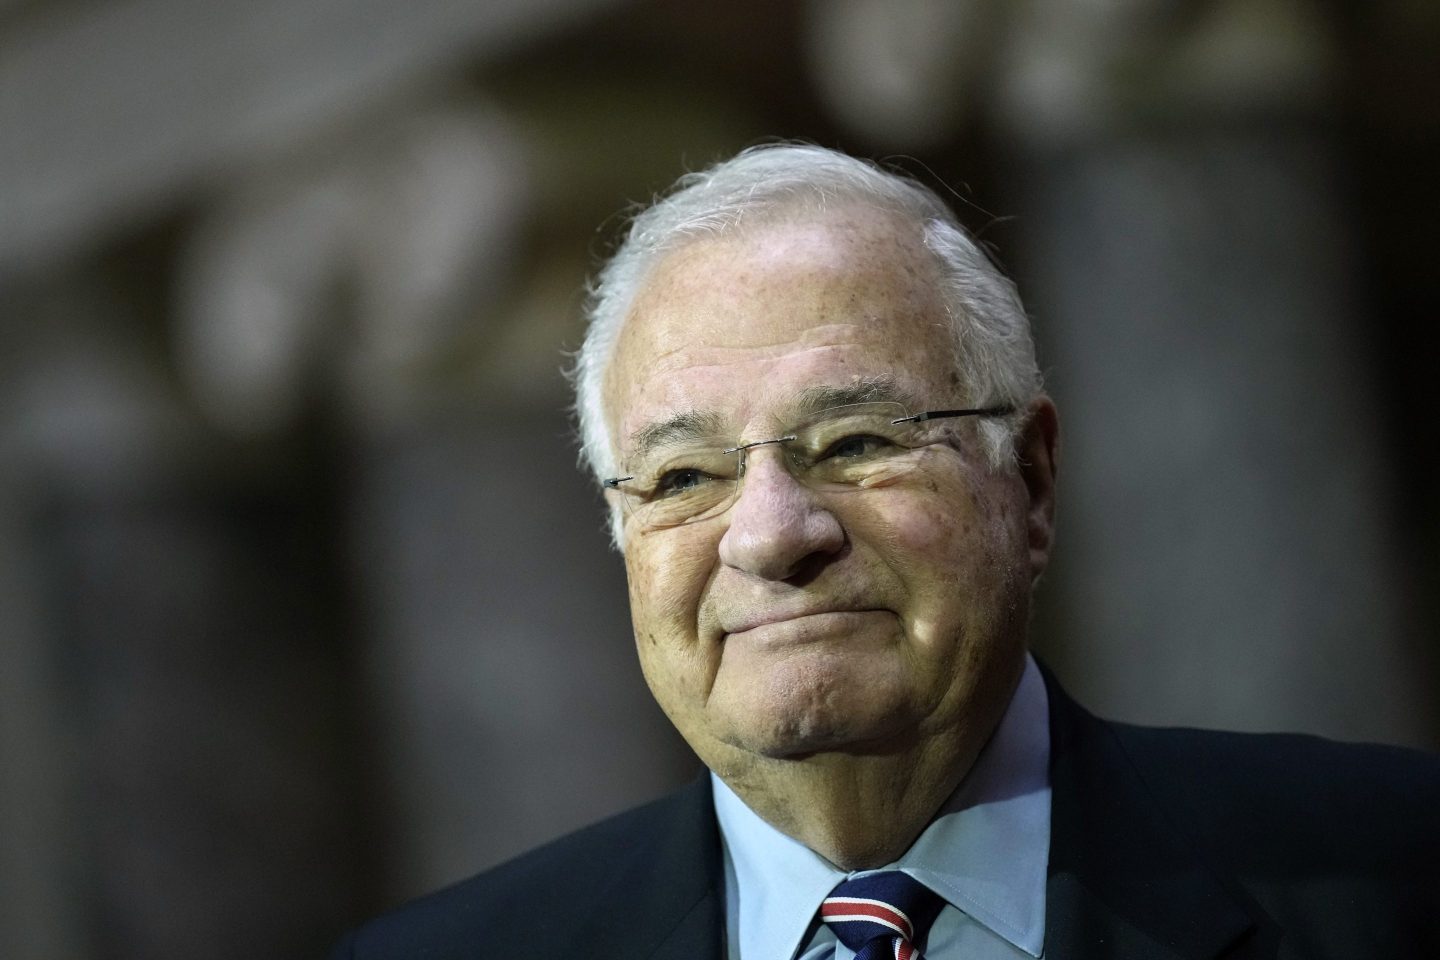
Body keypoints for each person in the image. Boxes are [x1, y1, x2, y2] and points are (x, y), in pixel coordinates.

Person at [331, 144, 1440, 959]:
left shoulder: (1400, 877)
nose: (770, 534)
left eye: (856, 441)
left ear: (1032, 480)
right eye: (682, 478)